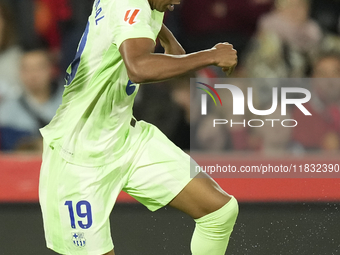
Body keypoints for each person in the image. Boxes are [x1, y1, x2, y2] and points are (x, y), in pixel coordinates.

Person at [39, 0, 238, 255]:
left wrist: (165, 35)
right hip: (77, 157)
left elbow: (129, 18)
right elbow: (138, 68)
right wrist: (210, 56)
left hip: (125, 138)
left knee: (220, 211)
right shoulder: (128, 5)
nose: (178, 1)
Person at [0, 47, 63, 151]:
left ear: (51, 69)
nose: (33, 75)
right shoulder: (7, 109)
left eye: (39, 68)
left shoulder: (69, 102)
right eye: (27, 69)